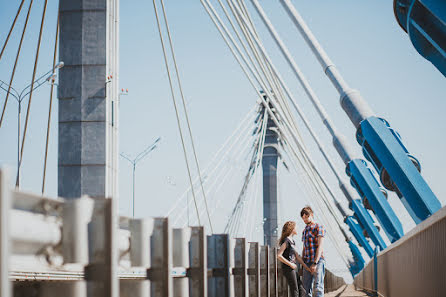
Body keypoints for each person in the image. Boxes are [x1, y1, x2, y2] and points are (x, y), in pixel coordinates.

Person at [277, 221, 310, 297]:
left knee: (301, 289)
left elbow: (297, 257)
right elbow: (279, 255)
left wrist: (306, 267)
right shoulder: (286, 241)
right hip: (288, 268)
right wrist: (291, 264)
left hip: (292, 268)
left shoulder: (292, 242)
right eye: (296, 228)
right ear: (292, 229)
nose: (297, 229)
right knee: (295, 290)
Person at [300, 206, 326, 297]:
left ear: (312, 215)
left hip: (318, 261)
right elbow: (304, 248)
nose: (305, 219)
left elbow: (320, 246)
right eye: (303, 218)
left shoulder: (319, 227)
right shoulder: (304, 231)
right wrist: (302, 265)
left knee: (318, 287)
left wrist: (315, 263)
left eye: (306, 216)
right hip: (307, 262)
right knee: (305, 289)